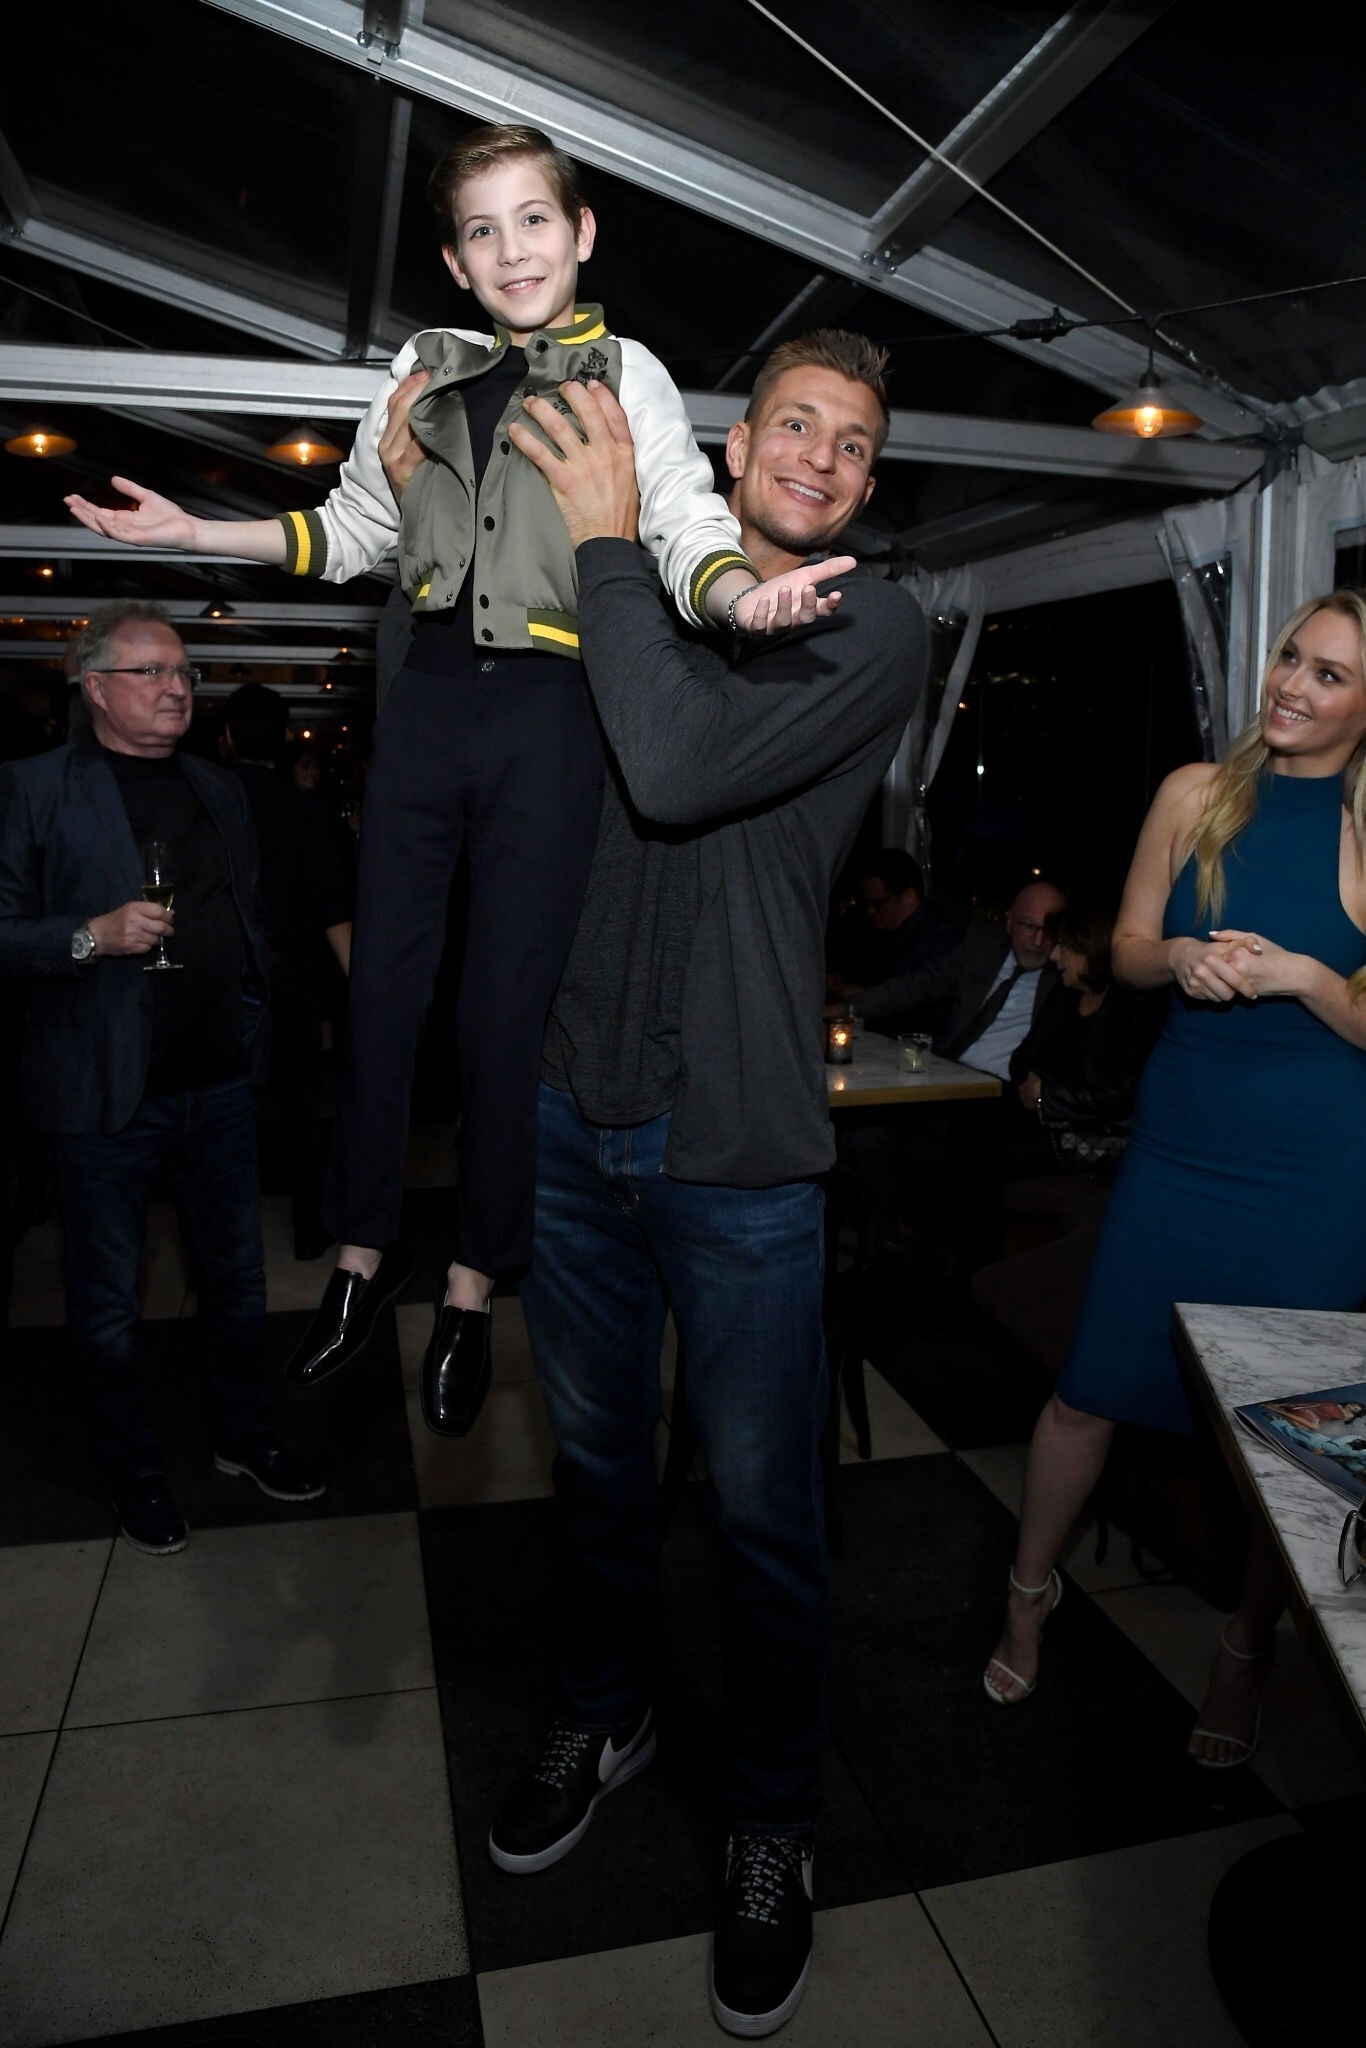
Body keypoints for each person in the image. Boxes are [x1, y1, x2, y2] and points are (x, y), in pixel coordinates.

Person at [64, 121, 815, 1430]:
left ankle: (473, 1281)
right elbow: (354, 528)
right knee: (379, 998)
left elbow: (684, 518)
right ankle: (361, 1259)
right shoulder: (419, 367)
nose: (511, 249)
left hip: (551, 706)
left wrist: (739, 596)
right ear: (456, 264)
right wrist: (197, 530)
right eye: (481, 231)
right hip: (422, 701)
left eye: (533, 219)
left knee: (499, 1015)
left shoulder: (624, 370)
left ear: (581, 234)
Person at [473, 333, 923, 2037]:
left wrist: (607, 543)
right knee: (594, 1471)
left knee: (761, 1515)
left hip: (736, 1149)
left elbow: (670, 763)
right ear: (731, 448)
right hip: (571, 1111)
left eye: (853, 443)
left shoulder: (871, 623)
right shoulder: (654, 580)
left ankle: (772, 1825)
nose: (820, 456)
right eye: (795, 423)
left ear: (866, 487)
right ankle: (605, 1713)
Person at [983, 593, 1366, 1771]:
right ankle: (1027, 1590)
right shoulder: (1196, 792)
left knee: (1284, 1439)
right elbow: (1131, 946)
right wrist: (1184, 955)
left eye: (1330, 673)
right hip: (1183, 1146)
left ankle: (1245, 1649)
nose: (1291, 683)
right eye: (1291, 656)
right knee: (1087, 1389)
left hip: (1315, 1168)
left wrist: (1307, 978)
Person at [0, 602, 323, 1553]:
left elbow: (247, 913)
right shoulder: (34, 788)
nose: (177, 688)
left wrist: (255, 1019)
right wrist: (89, 936)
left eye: (184, 672)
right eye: (152, 673)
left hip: (218, 1084)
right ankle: (132, 1475)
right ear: (95, 688)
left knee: (237, 1283)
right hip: (105, 1095)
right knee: (108, 1304)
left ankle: (244, 1436)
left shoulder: (218, 788)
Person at [222, 683, 353, 1260]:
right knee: (300, 1106)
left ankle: (226, 1240)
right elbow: (333, 910)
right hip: (292, 978)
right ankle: (308, 1232)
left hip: (224, 979)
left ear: (228, 736)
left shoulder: (208, 802)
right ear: (281, 740)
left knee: (226, 1111)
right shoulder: (304, 811)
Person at [850, 879, 1065, 1076]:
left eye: (1049, 930)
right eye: (1028, 926)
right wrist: (849, 1009)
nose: (1038, 941)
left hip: (1004, 1090)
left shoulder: (1062, 976)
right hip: (948, 1071)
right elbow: (922, 984)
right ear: (1010, 923)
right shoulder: (984, 945)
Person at [829, 847, 958, 1019]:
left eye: (877, 903)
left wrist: (862, 997)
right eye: (866, 902)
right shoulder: (877, 931)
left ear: (908, 897)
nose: (870, 910)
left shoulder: (937, 939)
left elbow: (920, 998)